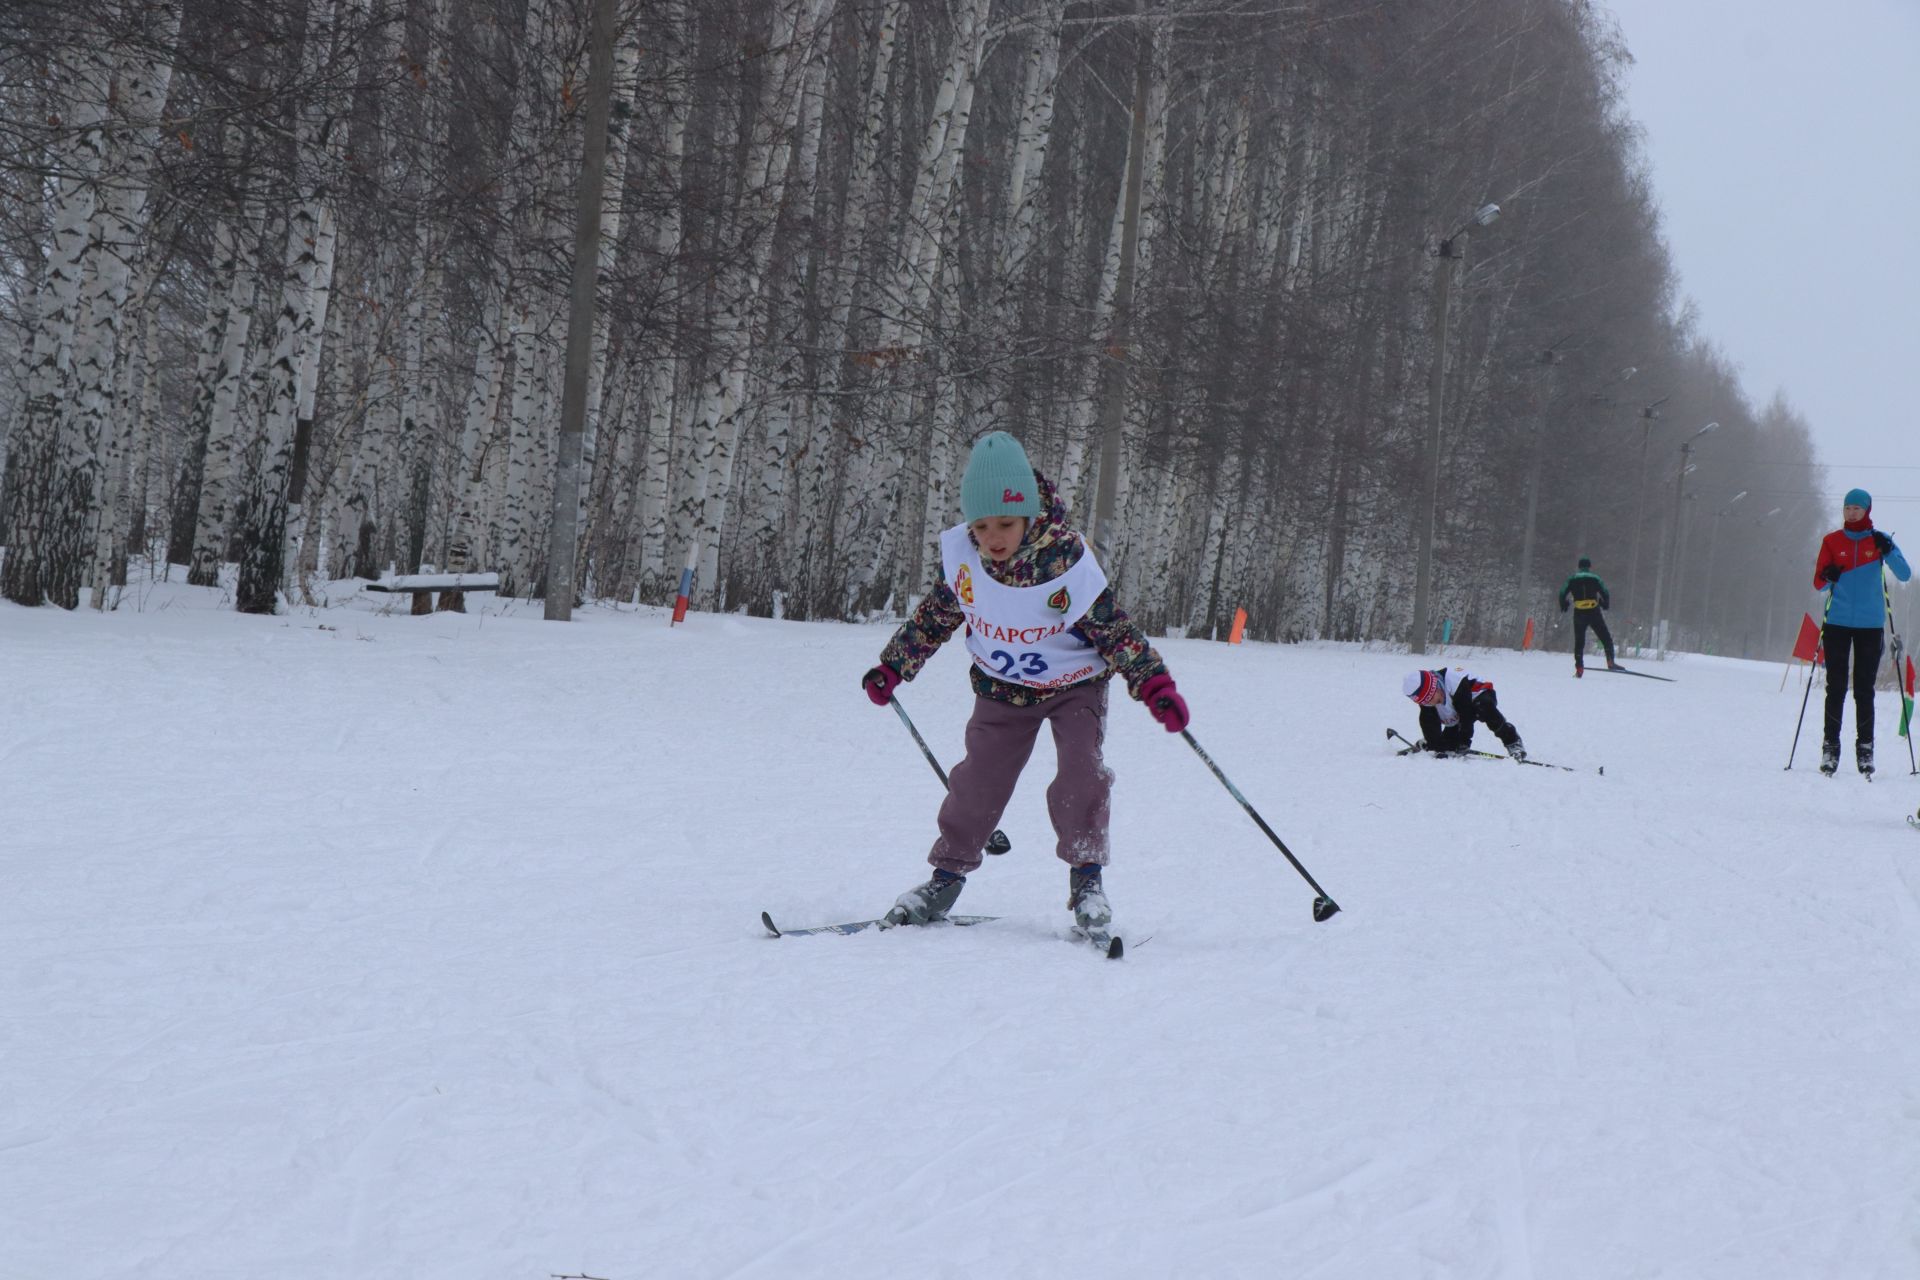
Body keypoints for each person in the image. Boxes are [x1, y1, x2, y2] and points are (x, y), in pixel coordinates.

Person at [861, 432, 1187, 932]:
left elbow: (1115, 631)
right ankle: (945, 877)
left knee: (1081, 776)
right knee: (976, 784)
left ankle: (1087, 881)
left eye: (1006, 524)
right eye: (981, 525)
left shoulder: (1065, 561)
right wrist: (893, 666)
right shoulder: (965, 561)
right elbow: (933, 618)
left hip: (1074, 685)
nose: (992, 537)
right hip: (1000, 689)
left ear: (1030, 515)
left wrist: (1154, 685)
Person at [1813, 487, 1910, 776]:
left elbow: (1904, 574)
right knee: (1836, 687)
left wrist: (1889, 550)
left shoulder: (1879, 541)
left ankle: (1865, 751)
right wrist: (1827, 576)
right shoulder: (1832, 541)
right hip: (1838, 622)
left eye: (1857, 508)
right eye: (1847, 508)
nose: (1851, 512)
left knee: (1864, 689)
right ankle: (1830, 749)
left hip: (1869, 624)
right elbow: (1818, 583)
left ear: (1867, 510)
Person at [1401, 666, 1527, 761]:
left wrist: (1464, 742)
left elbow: (1466, 714)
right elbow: (1428, 721)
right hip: (1456, 708)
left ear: (1435, 687)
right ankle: (1434, 742)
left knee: (1483, 708)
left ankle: (1513, 742)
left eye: (1430, 698)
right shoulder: (1429, 700)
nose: (1431, 703)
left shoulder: (1454, 680)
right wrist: (1434, 744)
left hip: (1477, 695)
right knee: (1448, 745)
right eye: (1426, 702)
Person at [1558, 556, 1622, 676]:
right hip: (1594, 611)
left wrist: (1563, 604)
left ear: (1579, 566)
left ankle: (1579, 668)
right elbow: (1605, 592)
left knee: (1579, 642)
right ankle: (1610, 662)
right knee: (1605, 638)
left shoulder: (1572, 579)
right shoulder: (1595, 578)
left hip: (1579, 612)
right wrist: (1605, 604)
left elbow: (1562, 592)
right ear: (1589, 566)